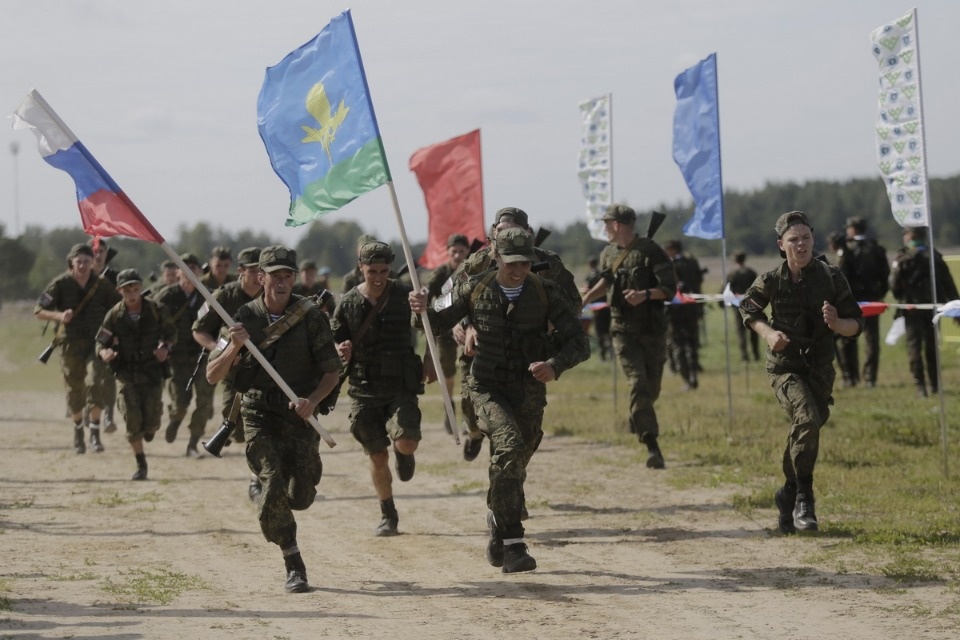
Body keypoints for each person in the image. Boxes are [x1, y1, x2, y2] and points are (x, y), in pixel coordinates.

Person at [409, 227, 589, 573]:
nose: (519, 270)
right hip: (487, 386)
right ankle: (513, 544)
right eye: (511, 263)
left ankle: (497, 517)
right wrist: (420, 310)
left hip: (529, 390)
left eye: (524, 263)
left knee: (516, 463)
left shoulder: (546, 291)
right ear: (495, 257)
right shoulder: (473, 287)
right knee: (507, 448)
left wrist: (555, 364)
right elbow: (431, 322)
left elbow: (579, 343)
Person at [206, 244, 340, 594]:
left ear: (294, 278)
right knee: (272, 481)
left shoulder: (311, 316)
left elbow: (332, 372)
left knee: (302, 495)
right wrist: (234, 346)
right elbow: (212, 374)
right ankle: (293, 561)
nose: (281, 282)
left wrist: (313, 401)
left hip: (299, 416)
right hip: (258, 413)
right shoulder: (241, 318)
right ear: (260, 277)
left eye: (287, 276)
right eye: (274, 275)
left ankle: (283, 505)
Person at [739, 211, 863, 534]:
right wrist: (768, 334)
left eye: (806, 237)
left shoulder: (831, 277)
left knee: (807, 427)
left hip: (820, 368)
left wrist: (836, 323)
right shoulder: (771, 279)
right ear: (782, 245)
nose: (801, 244)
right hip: (785, 368)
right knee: (806, 419)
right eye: (794, 239)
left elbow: (856, 325)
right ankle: (805, 498)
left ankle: (788, 492)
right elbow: (747, 309)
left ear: (813, 239)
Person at [452, 207, 580, 463]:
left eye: (513, 231)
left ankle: (502, 481)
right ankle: (475, 434)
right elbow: (450, 296)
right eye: (500, 231)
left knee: (516, 436)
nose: (505, 236)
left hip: (526, 352)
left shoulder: (548, 263)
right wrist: (465, 325)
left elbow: (573, 303)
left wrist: (551, 325)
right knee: (470, 403)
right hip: (480, 349)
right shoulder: (478, 261)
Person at [331, 240, 424, 537]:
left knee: (406, 441)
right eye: (372, 270)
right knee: (377, 456)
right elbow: (334, 339)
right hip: (364, 387)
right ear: (361, 268)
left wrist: (424, 310)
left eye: (384, 270)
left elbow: (428, 326)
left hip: (400, 384)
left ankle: (404, 453)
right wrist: (340, 347)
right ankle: (388, 514)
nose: (379, 276)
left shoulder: (405, 295)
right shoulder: (347, 303)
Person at [581, 204, 677, 469]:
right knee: (638, 383)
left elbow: (669, 288)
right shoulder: (607, 254)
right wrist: (588, 297)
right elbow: (607, 282)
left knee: (651, 388)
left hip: (652, 330)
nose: (604, 228)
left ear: (618, 224)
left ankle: (639, 415)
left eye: (607, 223)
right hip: (623, 329)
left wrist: (644, 295)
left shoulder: (650, 251)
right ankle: (652, 445)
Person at [35, 243, 121, 454]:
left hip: (96, 343)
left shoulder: (101, 285)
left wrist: (117, 334)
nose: (83, 265)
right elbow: (39, 310)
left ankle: (94, 434)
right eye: (79, 261)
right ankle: (77, 431)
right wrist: (59, 316)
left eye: (87, 261)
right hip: (70, 343)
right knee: (75, 391)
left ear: (93, 263)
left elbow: (118, 307)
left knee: (95, 382)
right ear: (71, 263)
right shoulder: (60, 284)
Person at [192, 247, 263, 497]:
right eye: (253, 271)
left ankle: (257, 478)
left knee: (261, 429)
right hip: (234, 375)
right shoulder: (223, 296)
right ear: (241, 271)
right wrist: (221, 353)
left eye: (262, 271)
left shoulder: (273, 295)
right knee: (237, 426)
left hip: (266, 374)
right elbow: (199, 329)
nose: (258, 277)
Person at [96, 269, 176, 480]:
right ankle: (141, 463)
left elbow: (171, 333)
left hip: (151, 371)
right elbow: (101, 340)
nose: (132, 293)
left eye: (135, 288)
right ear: (119, 291)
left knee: (152, 421)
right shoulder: (114, 314)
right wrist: (105, 352)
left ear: (141, 288)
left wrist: (165, 348)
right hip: (126, 372)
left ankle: (149, 429)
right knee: (132, 419)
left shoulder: (157, 309)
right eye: (127, 290)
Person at [155, 253, 216, 455]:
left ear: (200, 271)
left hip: (203, 356)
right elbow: (153, 322)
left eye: (194, 267)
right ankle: (175, 418)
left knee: (204, 403)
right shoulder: (166, 295)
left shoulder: (209, 295)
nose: (190, 271)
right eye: (185, 267)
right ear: (178, 271)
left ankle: (193, 442)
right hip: (176, 358)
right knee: (181, 402)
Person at [890, 226, 960, 397]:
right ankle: (935, 386)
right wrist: (956, 308)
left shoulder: (903, 258)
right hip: (933, 310)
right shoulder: (935, 257)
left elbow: (895, 289)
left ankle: (920, 387)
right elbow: (948, 284)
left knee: (914, 349)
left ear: (908, 237)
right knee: (931, 348)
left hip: (912, 310)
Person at [424, 233, 471, 434]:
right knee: (448, 371)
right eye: (455, 252)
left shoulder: (472, 271)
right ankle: (449, 405)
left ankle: (469, 414)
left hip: (469, 328)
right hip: (445, 330)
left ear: (467, 252)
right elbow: (429, 300)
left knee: (469, 372)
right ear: (448, 253)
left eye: (462, 251)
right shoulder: (440, 274)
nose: (458, 255)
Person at [838, 217, 890, 388]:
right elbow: (885, 275)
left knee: (848, 337)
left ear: (853, 229)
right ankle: (870, 378)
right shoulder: (876, 248)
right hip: (872, 299)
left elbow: (841, 274)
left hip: (851, 300)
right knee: (871, 340)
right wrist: (879, 294)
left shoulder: (847, 249)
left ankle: (850, 377)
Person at [664, 239, 704, 390]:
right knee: (692, 345)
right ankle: (693, 375)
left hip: (675, 312)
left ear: (672, 249)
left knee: (678, 346)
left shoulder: (670, 265)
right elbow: (699, 282)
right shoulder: (691, 262)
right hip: (692, 308)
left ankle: (687, 379)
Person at [89, 239, 120, 433]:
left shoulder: (116, 277)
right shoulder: (82, 277)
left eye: (101, 251)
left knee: (108, 377)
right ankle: (90, 414)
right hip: (85, 337)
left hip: (109, 335)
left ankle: (108, 414)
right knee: (90, 380)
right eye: (94, 251)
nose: (97, 255)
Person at [726, 251, 760, 362]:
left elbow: (727, 289)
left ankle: (744, 356)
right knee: (754, 328)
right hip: (751, 304)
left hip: (737, 305)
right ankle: (756, 354)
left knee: (741, 331)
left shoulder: (732, 273)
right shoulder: (751, 272)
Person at [585, 257, 612, 361]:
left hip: (597, 308)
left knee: (599, 331)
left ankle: (603, 355)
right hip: (607, 306)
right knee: (608, 330)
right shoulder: (602, 275)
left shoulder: (590, 277)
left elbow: (588, 291)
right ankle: (610, 352)